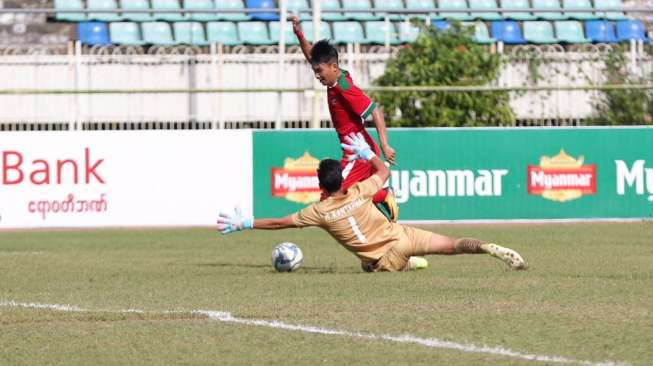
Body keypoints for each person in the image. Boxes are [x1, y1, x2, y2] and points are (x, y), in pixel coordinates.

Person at [217, 133, 526, 272]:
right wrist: (366, 154)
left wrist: (245, 223)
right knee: (453, 244)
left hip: (385, 258)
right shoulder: (359, 191)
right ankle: (486, 247)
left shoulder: (318, 212)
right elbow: (384, 170)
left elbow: (279, 223)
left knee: (369, 266)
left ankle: (407, 263)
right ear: (341, 180)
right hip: (402, 235)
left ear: (320, 185)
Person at [290, 15, 399, 222]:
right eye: (315, 71)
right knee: (354, 202)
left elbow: (375, 110)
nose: (317, 76)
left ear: (333, 67)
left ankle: (384, 195)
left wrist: (385, 145)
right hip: (357, 149)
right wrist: (299, 34)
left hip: (357, 151)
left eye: (319, 71)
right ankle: (388, 223)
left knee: (331, 198)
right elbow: (312, 56)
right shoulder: (335, 77)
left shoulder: (343, 88)